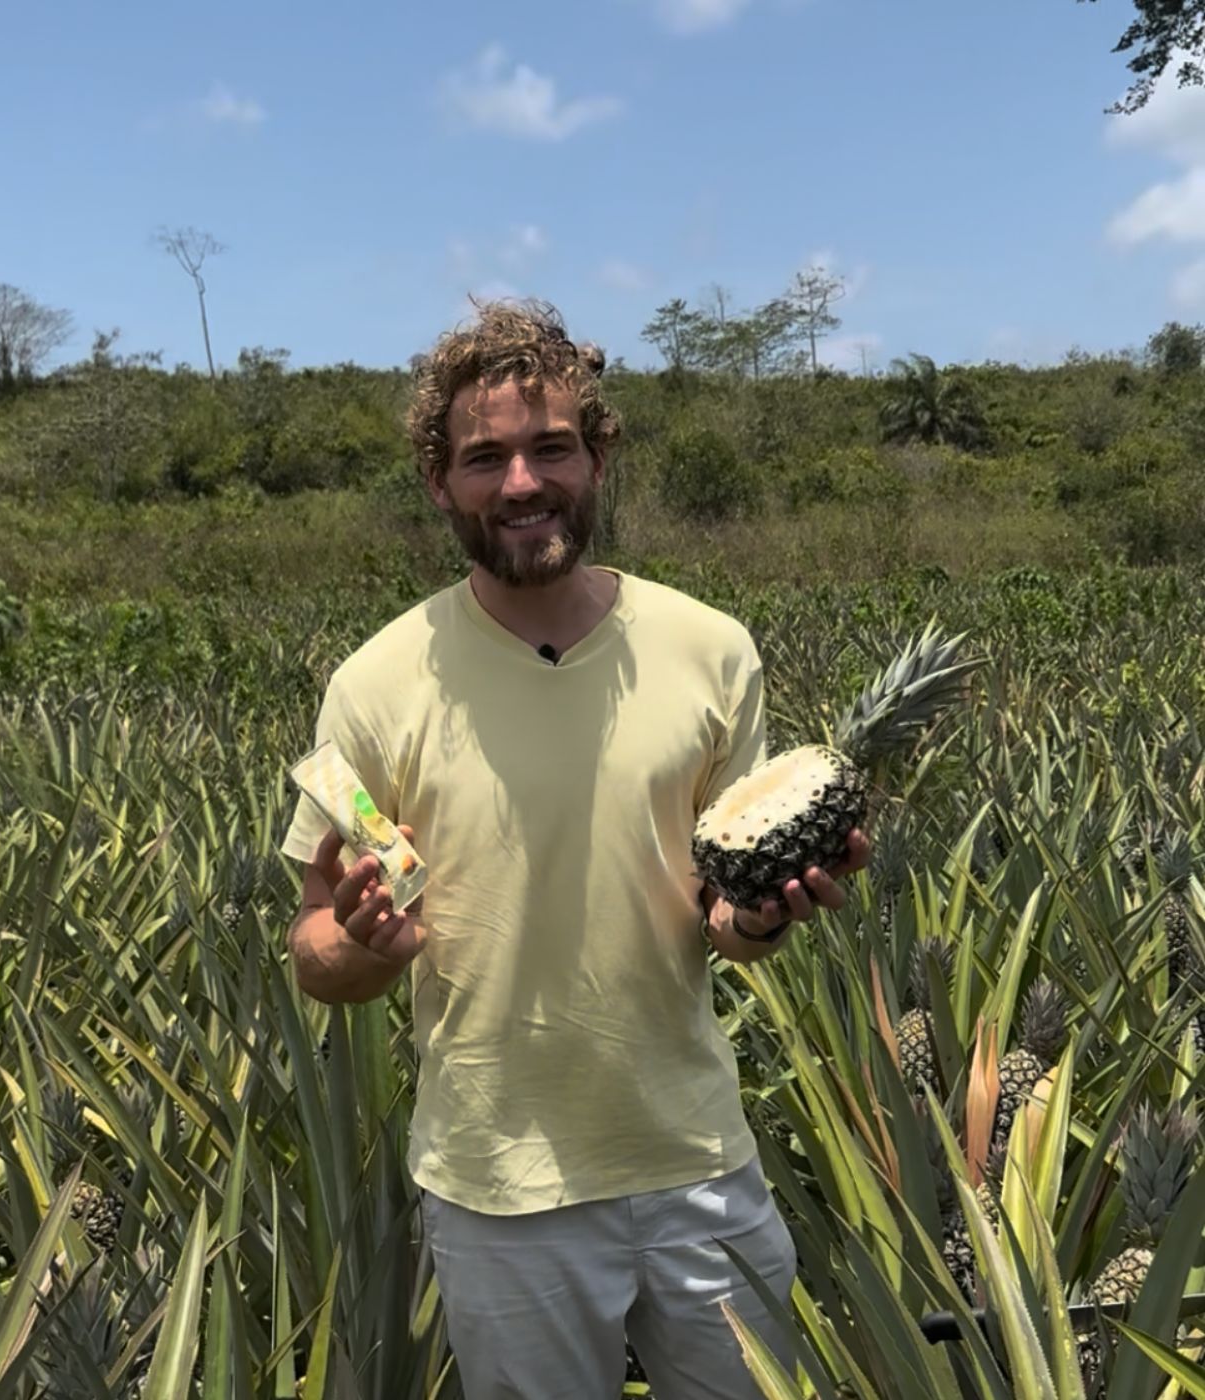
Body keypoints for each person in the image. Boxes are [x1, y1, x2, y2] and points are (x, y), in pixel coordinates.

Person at [280, 299, 870, 1399]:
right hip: (497, 1190)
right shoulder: (374, 684)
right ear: (437, 482)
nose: (520, 483)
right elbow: (313, 949)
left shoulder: (710, 652)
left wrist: (765, 910)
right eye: (483, 457)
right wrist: (363, 943)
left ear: (597, 453)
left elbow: (717, 919)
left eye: (550, 446)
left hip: (696, 1159)